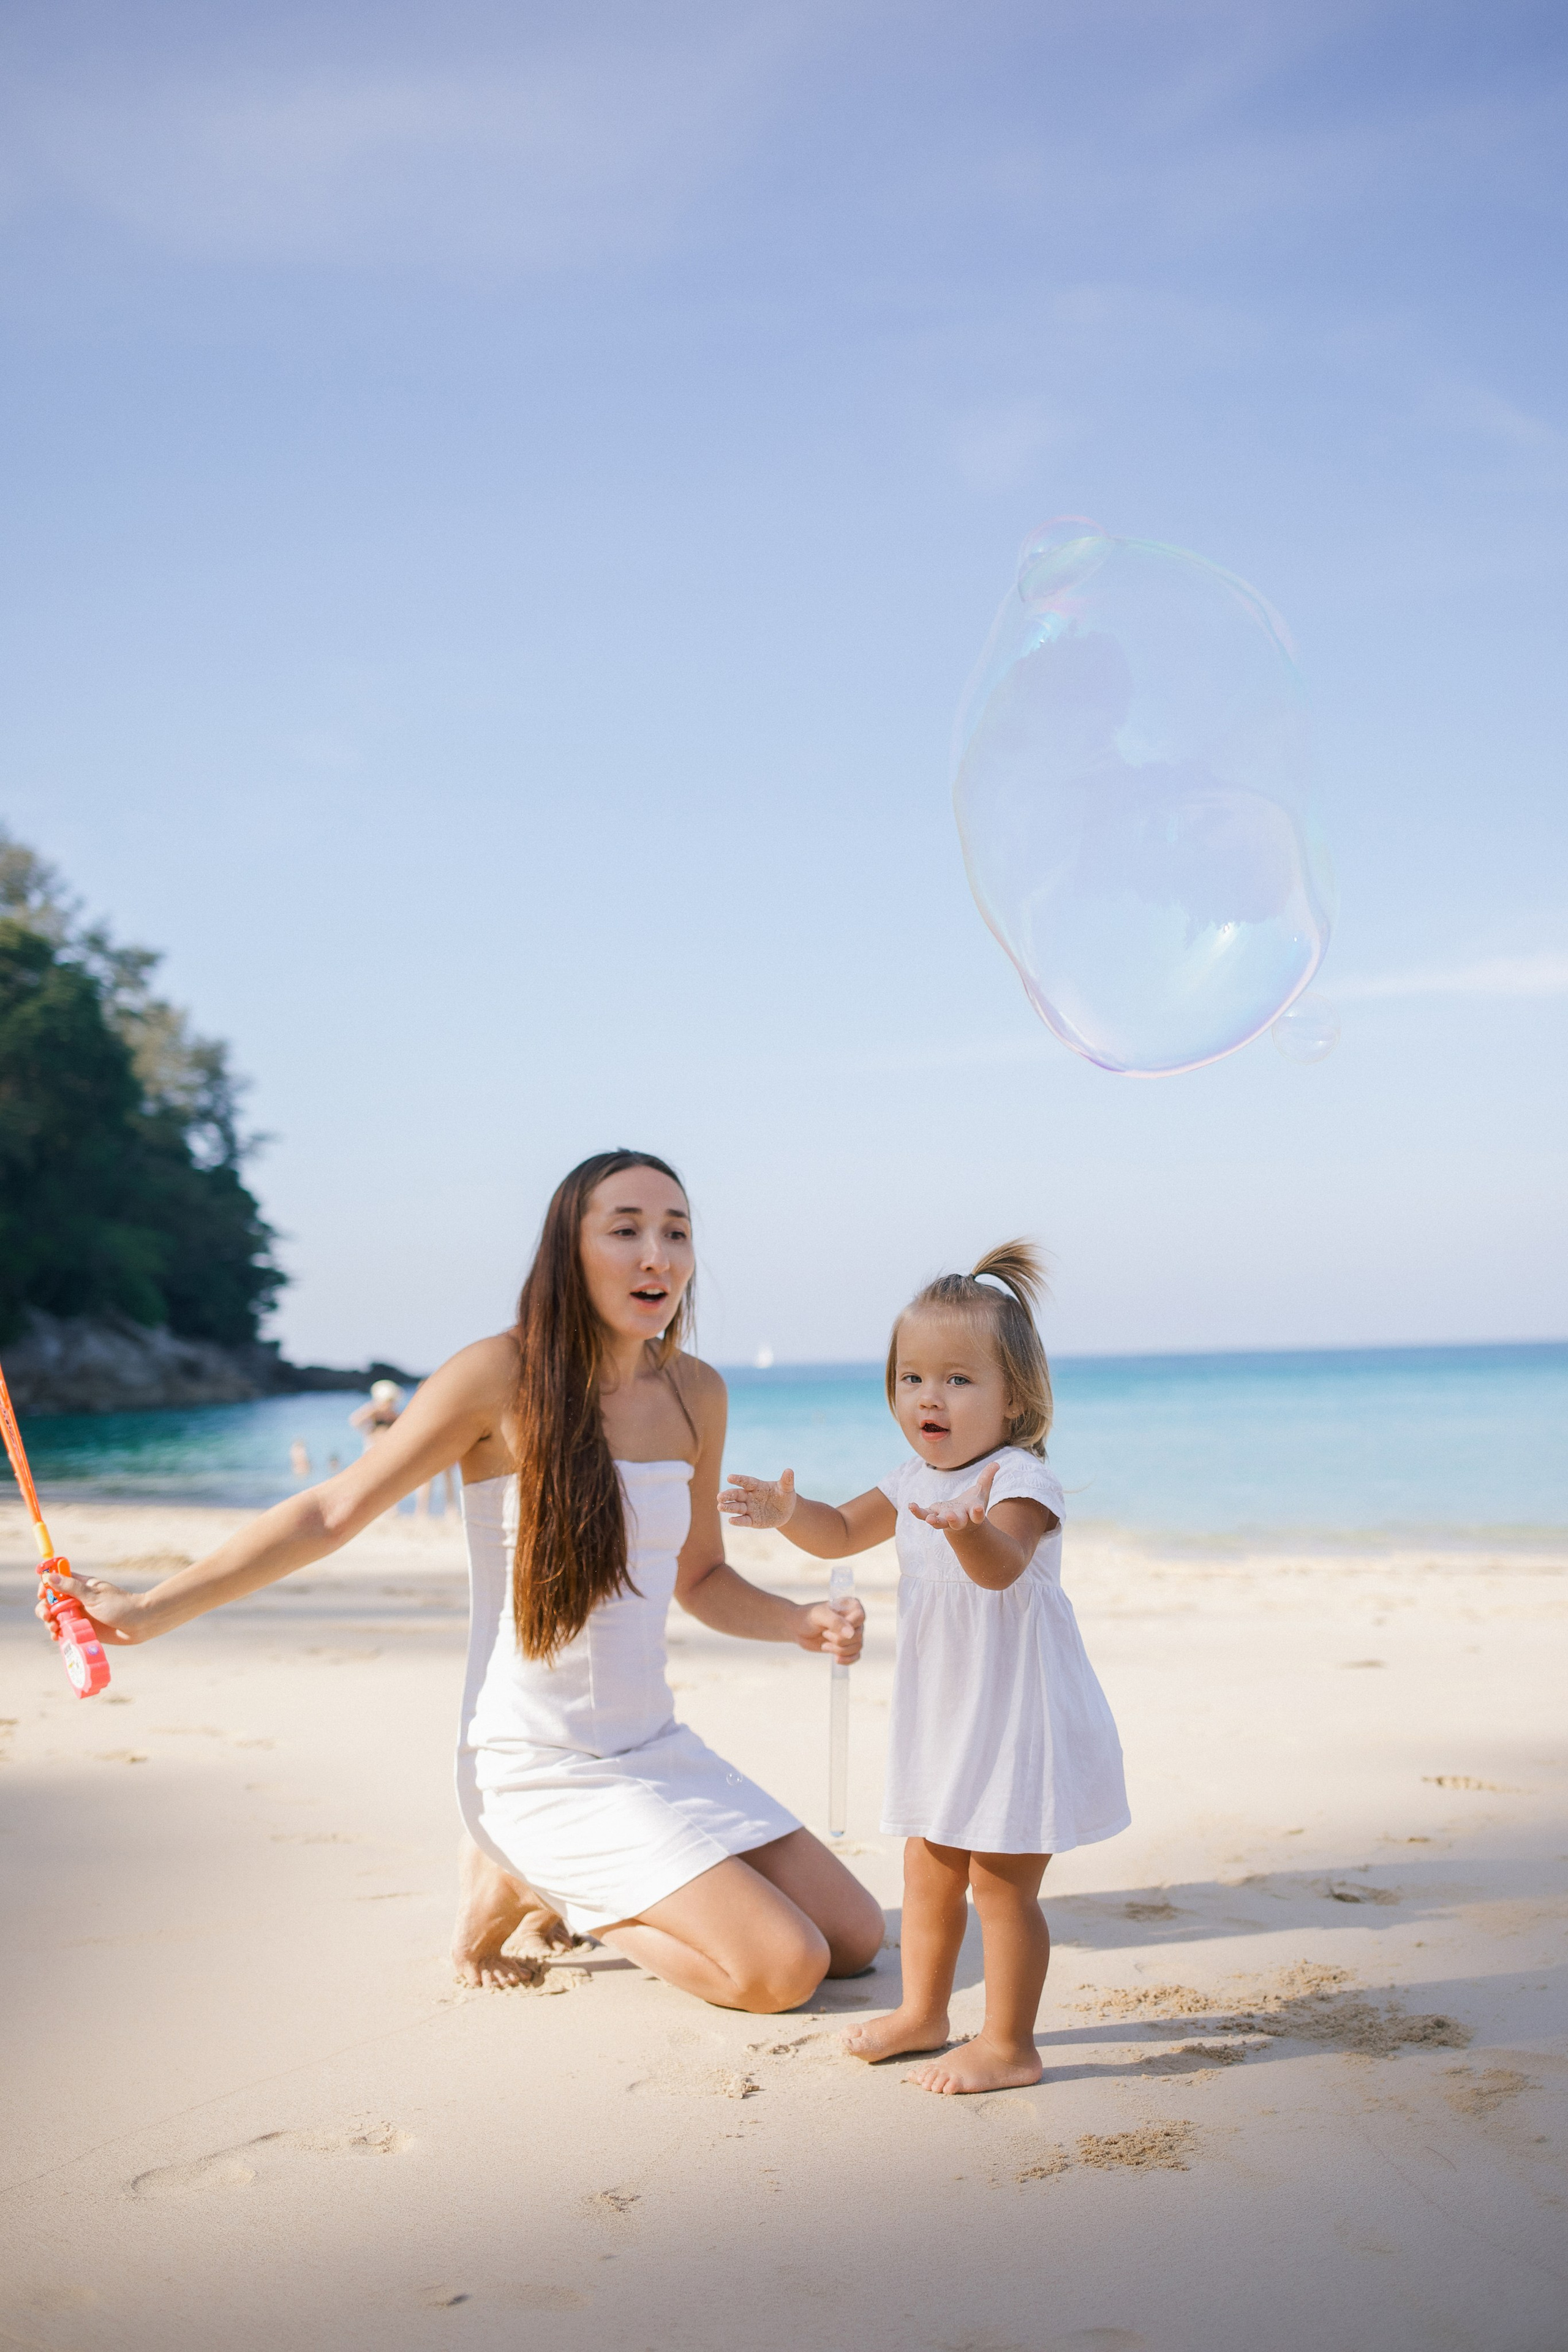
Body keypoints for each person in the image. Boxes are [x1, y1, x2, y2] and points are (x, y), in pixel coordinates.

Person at [40, 1150, 883, 2015]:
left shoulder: (697, 1393)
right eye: (625, 1230)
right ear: (569, 1249)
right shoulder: (498, 1375)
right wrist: (147, 1610)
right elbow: (330, 1512)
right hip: (537, 1764)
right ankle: (528, 1874)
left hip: (655, 1745)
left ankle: (567, 1879)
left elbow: (701, 1576)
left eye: (676, 1233)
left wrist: (797, 1621)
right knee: (783, 1969)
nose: (655, 1257)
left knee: (854, 1939)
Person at [721, 1242, 1128, 2092]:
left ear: (1015, 1398)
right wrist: (789, 1512)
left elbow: (1002, 1568)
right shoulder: (911, 1479)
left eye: (957, 1379)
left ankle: (1010, 2046)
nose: (928, 1397)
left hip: (1017, 1719)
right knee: (928, 1865)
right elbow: (840, 1533)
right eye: (911, 1378)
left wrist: (966, 1528)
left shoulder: (1020, 1481)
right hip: (945, 1715)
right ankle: (924, 2013)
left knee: (1000, 1883)